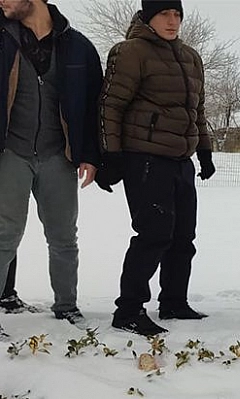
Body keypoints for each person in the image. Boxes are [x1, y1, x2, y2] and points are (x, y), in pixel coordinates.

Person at [96, 0, 216, 336]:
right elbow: (111, 105)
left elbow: (198, 110)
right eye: (165, 13)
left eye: (177, 14)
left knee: (183, 237)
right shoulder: (130, 51)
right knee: (153, 235)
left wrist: (204, 150)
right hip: (144, 158)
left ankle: (174, 301)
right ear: (149, 17)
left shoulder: (190, 56)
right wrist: (111, 154)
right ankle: (129, 310)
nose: (172, 20)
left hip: (181, 160)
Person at [0, 0, 103, 334]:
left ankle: (66, 306)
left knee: (62, 237)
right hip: (10, 153)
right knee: (4, 235)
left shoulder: (78, 47)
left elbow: (93, 106)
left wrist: (90, 154)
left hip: (58, 155)